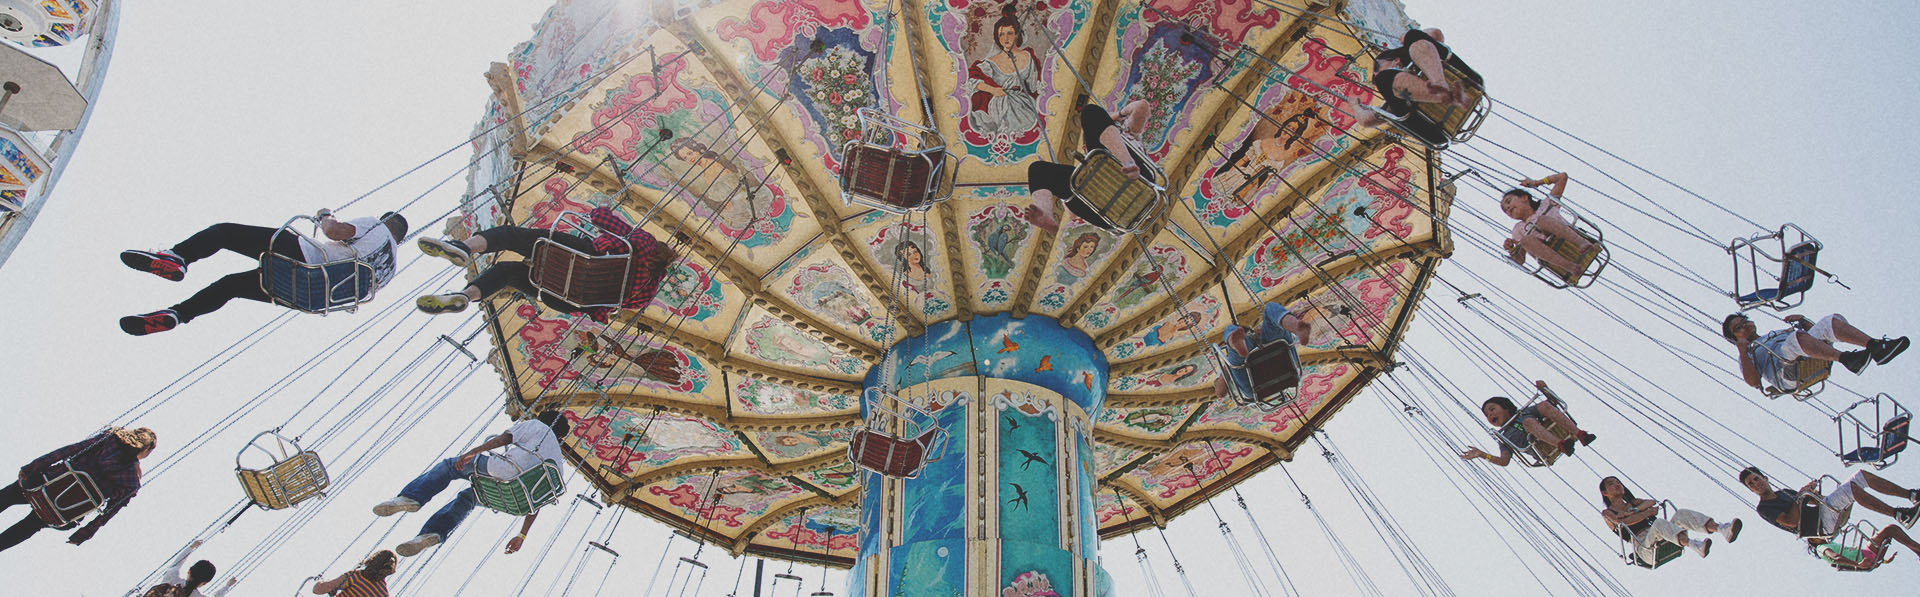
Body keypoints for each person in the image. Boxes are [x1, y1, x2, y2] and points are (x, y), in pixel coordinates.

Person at [118, 211, 406, 335]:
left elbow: (333, 231)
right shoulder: (391, 270)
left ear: (386, 220)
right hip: (312, 296)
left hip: (305, 260)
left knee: (225, 233)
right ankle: (176, 315)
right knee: (230, 286)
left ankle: (178, 258)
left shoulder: (374, 225)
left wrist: (324, 215)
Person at [414, 206, 675, 322]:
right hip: (563, 296)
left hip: (569, 257)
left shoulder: (645, 244)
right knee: (506, 273)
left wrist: (601, 210)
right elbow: (612, 307)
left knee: (509, 236)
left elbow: (605, 221)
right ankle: (464, 296)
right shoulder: (644, 296)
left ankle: (464, 247)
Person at [371, 411, 570, 557]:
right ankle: (432, 533)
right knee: (469, 497)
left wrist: (472, 452)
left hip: (505, 471)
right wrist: (522, 535)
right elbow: (537, 499)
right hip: (516, 498)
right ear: (561, 436)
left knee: (450, 466)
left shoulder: (536, 425)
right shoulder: (557, 462)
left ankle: (412, 497)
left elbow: (503, 439)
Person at [0, 427, 156, 552]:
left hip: (48, 484)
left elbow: (70, 450)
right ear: (146, 451)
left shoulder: (111, 439)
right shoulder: (132, 482)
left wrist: (32, 467)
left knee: (11, 494)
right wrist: (85, 533)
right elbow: (109, 512)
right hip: (61, 512)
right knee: (30, 526)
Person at [1023, 100, 1158, 232]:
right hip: (1101, 194)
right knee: (1037, 170)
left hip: (1138, 178)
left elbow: (1142, 106)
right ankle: (1044, 213)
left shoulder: (1129, 132)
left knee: (1090, 112)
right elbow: (1072, 215)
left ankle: (1126, 162)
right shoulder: (1088, 167)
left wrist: (1117, 116)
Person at [1351, 28, 1482, 146]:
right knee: (1386, 82)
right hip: (1433, 127)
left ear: (1395, 60)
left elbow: (1435, 33)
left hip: (1458, 79)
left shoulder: (1412, 52)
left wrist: (1405, 36)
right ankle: (1439, 91)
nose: (1376, 75)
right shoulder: (1392, 95)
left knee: (1413, 36)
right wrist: (1355, 106)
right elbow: (1366, 121)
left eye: (1377, 69)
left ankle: (1439, 85)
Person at [1722, 312, 1906, 392]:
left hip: (1797, 350)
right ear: (1735, 338)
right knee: (1794, 340)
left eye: (1744, 321)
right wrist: (1742, 349)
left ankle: (1875, 347)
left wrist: (1803, 321)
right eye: (1738, 328)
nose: (1744, 326)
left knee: (1830, 321)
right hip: (1785, 373)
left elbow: (1814, 338)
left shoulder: (1774, 334)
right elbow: (1754, 382)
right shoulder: (1747, 354)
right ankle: (1847, 359)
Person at [1738, 467, 1920, 537]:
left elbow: (1815, 501)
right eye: (1751, 484)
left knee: (1860, 476)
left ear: (1765, 477)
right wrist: (1802, 495)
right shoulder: (1764, 508)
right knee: (1852, 489)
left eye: (1756, 478)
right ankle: (1899, 515)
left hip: (1822, 513)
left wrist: (1811, 492)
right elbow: (1792, 521)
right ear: (1751, 490)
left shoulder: (1784, 493)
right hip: (1818, 527)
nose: (1756, 484)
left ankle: (1911, 495)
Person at [1598, 476, 1738, 561]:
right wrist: (1646, 513)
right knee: (1659, 524)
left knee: (1681, 514)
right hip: (1644, 547)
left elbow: (1651, 502)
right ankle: (1694, 545)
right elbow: (1623, 522)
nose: (1617, 485)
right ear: (1605, 492)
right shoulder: (1607, 512)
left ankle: (1722, 529)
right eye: (1611, 484)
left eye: (1618, 482)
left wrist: (1634, 510)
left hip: (1663, 535)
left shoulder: (1633, 503)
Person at [1458, 381, 1598, 466]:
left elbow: (1551, 406)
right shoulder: (1504, 437)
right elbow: (1504, 461)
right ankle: (1560, 445)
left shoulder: (1523, 413)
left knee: (1541, 407)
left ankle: (1580, 434)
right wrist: (1483, 455)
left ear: (1505, 407)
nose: (1491, 415)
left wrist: (1545, 390)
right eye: (1487, 415)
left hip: (1553, 430)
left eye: (1492, 409)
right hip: (1541, 449)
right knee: (1528, 423)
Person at [1497, 172, 1597, 278]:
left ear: (1524, 197)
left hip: (1565, 237)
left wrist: (1536, 183)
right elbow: (1520, 260)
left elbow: (1562, 177)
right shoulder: (1517, 230)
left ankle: (1582, 242)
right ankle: (1570, 267)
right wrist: (1512, 249)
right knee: (1526, 240)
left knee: (1542, 220)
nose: (1508, 208)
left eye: (1509, 202)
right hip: (1549, 253)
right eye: (1505, 210)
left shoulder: (1546, 204)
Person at [1213, 301, 1313, 401]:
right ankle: (1237, 344)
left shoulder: (1263, 338)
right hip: (1253, 382)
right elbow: (1220, 393)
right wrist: (1228, 364)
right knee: (1230, 329)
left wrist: (1259, 337)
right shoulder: (1228, 363)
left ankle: (1296, 327)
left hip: (1276, 359)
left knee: (1270, 308)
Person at [967, 7, 1042, 136]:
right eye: (1001, 34)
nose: (1005, 38)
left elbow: (1035, 87)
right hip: (999, 105)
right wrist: (993, 90)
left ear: (1017, 34)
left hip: (1024, 104)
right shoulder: (992, 61)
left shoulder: (1028, 57)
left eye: (1010, 33)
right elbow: (973, 79)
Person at [146, 539, 235, 596]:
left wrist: (191, 547)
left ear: (189, 571)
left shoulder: (172, 578)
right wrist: (227, 586)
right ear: (204, 583)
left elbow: (176, 564)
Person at [1814, 524, 1919, 570]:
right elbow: (1835, 558)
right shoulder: (1820, 547)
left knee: (1893, 530)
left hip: (1866, 556)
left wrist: (1883, 561)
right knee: (1890, 529)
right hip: (1863, 557)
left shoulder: (1829, 543)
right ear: (1813, 540)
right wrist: (1858, 564)